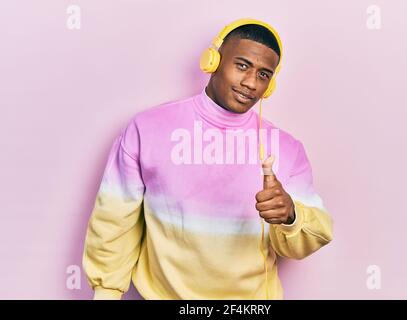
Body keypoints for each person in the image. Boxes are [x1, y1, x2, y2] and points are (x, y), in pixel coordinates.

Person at [82, 18, 333, 300]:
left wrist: (290, 215)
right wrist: (106, 292)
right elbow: (114, 219)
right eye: (242, 65)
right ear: (212, 61)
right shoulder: (148, 128)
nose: (251, 83)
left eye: (263, 74)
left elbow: (313, 236)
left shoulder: (287, 149)